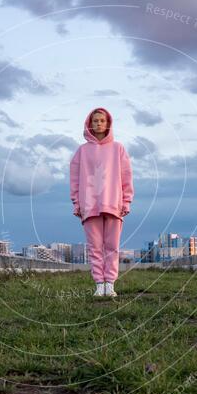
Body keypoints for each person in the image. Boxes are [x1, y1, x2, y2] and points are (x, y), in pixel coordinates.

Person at [69, 107, 134, 297]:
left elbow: (126, 176)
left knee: (112, 246)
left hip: (114, 205)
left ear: (108, 124)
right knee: (95, 247)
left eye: (102, 120)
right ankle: (99, 283)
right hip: (89, 206)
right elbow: (74, 179)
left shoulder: (118, 148)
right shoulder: (82, 151)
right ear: (90, 124)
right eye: (95, 120)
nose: (98, 123)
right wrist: (76, 203)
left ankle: (110, 283)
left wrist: (126, 201)